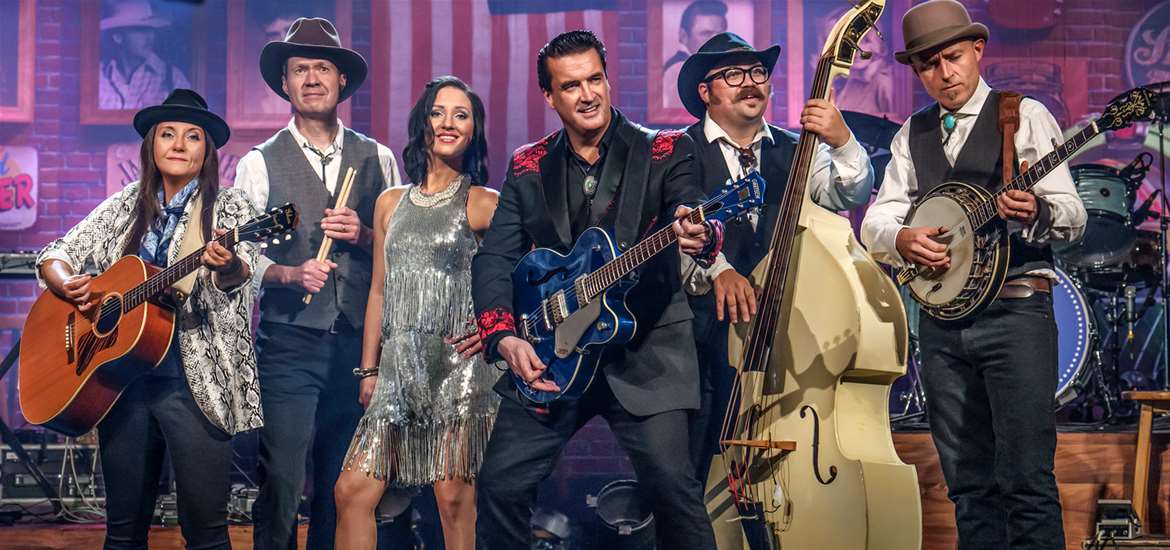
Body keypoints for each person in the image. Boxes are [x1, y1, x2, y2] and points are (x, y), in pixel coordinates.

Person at [471, 30, 719, 550]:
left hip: (647, 348)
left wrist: (699, 228)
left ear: (607, 79)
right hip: (553, 351)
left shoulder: (665, 149)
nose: (587, 95)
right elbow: (496, 257)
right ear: (549, 95)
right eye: (571, 86)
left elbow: (690, 202)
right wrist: (504, 336)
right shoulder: (528, 164)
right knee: (499, 484)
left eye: (595, 79)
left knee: (674, 490)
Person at [859, 2, 1086, 548]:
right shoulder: (912, 133)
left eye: (954, 57)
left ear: (978, 50)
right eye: (929, 65)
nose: (945, 73)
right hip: (943, 327)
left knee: (1027, 480)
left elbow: (1073, 215)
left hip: (1016, 312)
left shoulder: (1021, 116)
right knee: (967, 487)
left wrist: (1037, 210)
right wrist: (901, 239)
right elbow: (876, 221)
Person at [36, 89, 259, 550]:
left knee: (207, 535)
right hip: (122, 383)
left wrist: (228, 265)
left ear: (207, 151)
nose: (178, 144)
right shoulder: (124, 206)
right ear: (151, 145)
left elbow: (243, 275)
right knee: (122, 534)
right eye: (167, 134)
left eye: (192, 136)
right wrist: (66, 281)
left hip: (198, 385)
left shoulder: (231, 207)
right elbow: (56, 253)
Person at [674, 31, 875, 484]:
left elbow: (850, 192)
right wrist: (719, 268)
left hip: (782, 339)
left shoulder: (796, 149)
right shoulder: (678, 152)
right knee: (695, 471)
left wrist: (843, 141)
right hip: (699, 342)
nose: (750, 82)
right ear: (705, 91)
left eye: (758, 72)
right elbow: (676, 226)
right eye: (733, 74)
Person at [233, 17, 402, 550]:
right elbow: (239, 257)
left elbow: (404, 253)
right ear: (285, 83)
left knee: (341, 483)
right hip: (289, 340)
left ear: (341, 80)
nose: (311, 79)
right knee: (281, 478)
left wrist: (365, 236)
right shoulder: (258, 163)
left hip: (358, 342)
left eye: (322, 68)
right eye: (300, 69)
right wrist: (289, 273)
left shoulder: (378, 158)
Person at [333, 75, 500, 550]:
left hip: (460, 370)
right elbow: (379, 291)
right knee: (351, 491)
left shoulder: (485, 203)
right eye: (438, 112)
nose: (448, 123)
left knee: (452, 499)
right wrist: (369, 369)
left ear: (473, 131)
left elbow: (521, 279)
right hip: (397, 371)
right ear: (422, 123)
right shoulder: (390, 203)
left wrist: (495, 329)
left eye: (461, 115)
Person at [99, 1, 191, 110]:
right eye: (140, 30)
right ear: (118, 37)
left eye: (150, 29)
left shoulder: (173, 78)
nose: (150, 37)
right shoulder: (100, 76)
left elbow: (189, 117)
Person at [664, 0, 727, 110]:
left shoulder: (704, 68)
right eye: (706, 33)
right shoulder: (679, 71)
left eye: (720, 34)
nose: (716, 41)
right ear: (684, 36)